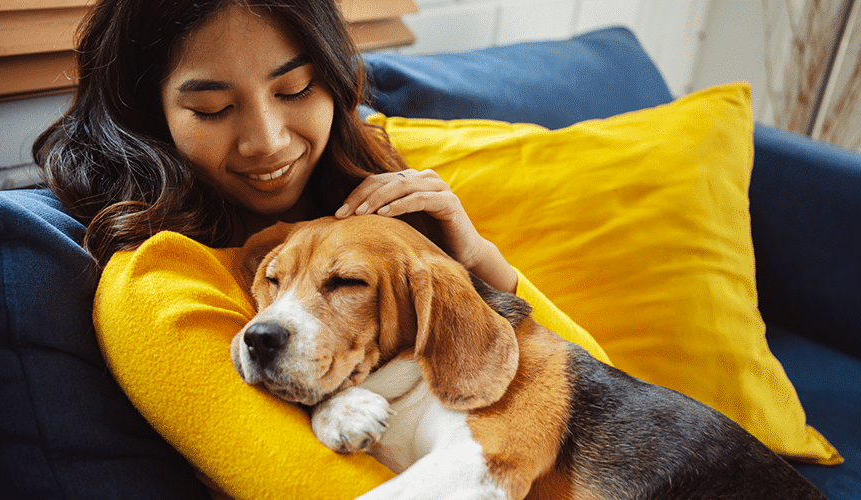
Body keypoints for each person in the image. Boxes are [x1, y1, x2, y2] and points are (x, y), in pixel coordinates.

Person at [33, 0, 604, 497]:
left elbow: (602, 402)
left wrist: (478, 261)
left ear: (333, 81)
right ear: (148, 112)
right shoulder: (157, 280)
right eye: (211, 108)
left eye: (294, 89)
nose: (268, 140)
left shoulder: (390, 212)